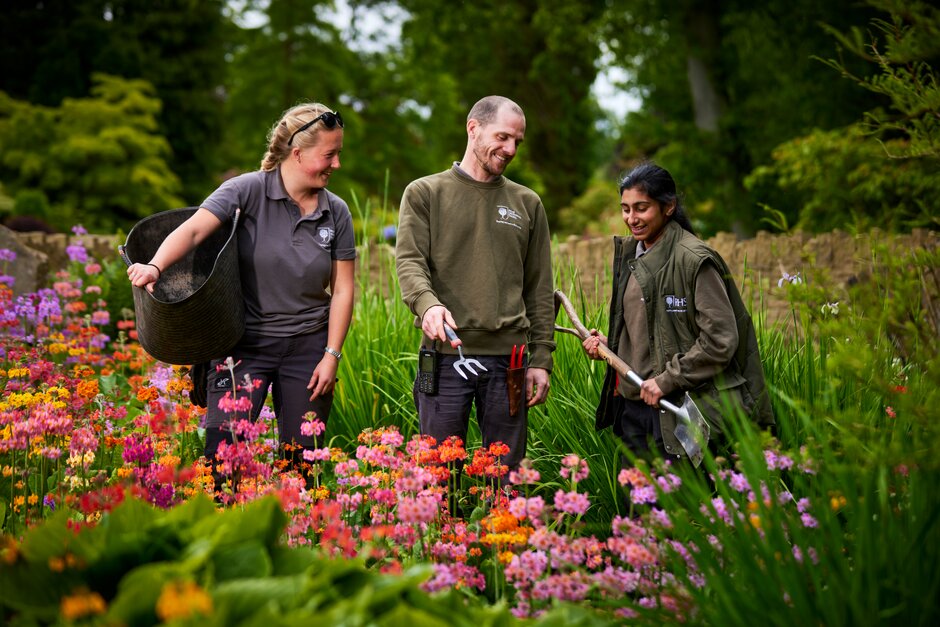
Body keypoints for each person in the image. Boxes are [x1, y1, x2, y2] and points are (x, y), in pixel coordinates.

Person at [127, 102, 356, 484]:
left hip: (309, 351)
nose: (337, 164)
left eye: (338, 154)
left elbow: (344, 288)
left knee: (301, 469)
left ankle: (291, 537)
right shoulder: (246, 191)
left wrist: (331, 355)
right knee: (222, 465)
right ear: (297, 154)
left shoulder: (336, 212)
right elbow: (194, 230)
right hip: (242, 347)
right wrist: (155, 265)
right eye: (329, 155)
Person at [395, 95, 555, 474]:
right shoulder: (425, 193)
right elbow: (409, 262)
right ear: (473, 128)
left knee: (506, 476)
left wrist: (542, 358)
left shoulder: (527, 203)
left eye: (518, 140)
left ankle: (500, 534)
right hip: (447, 358)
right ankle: (440, 535)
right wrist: (428, 305)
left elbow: (539, 288)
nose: (510, 148)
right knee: (438, 476)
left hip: (509, 363)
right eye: (503, 137)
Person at [583, 162, 774, 461]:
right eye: (625, 209)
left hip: (679, 410)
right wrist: (612, 346)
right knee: (635, 506)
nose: (631, 218)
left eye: (641, 208)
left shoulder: (693, 260)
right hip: (633, 412)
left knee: (682, 505)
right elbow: (650, 332)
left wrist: (665, 380)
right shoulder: (631, 256)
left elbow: (720, 340)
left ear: (668, 207)